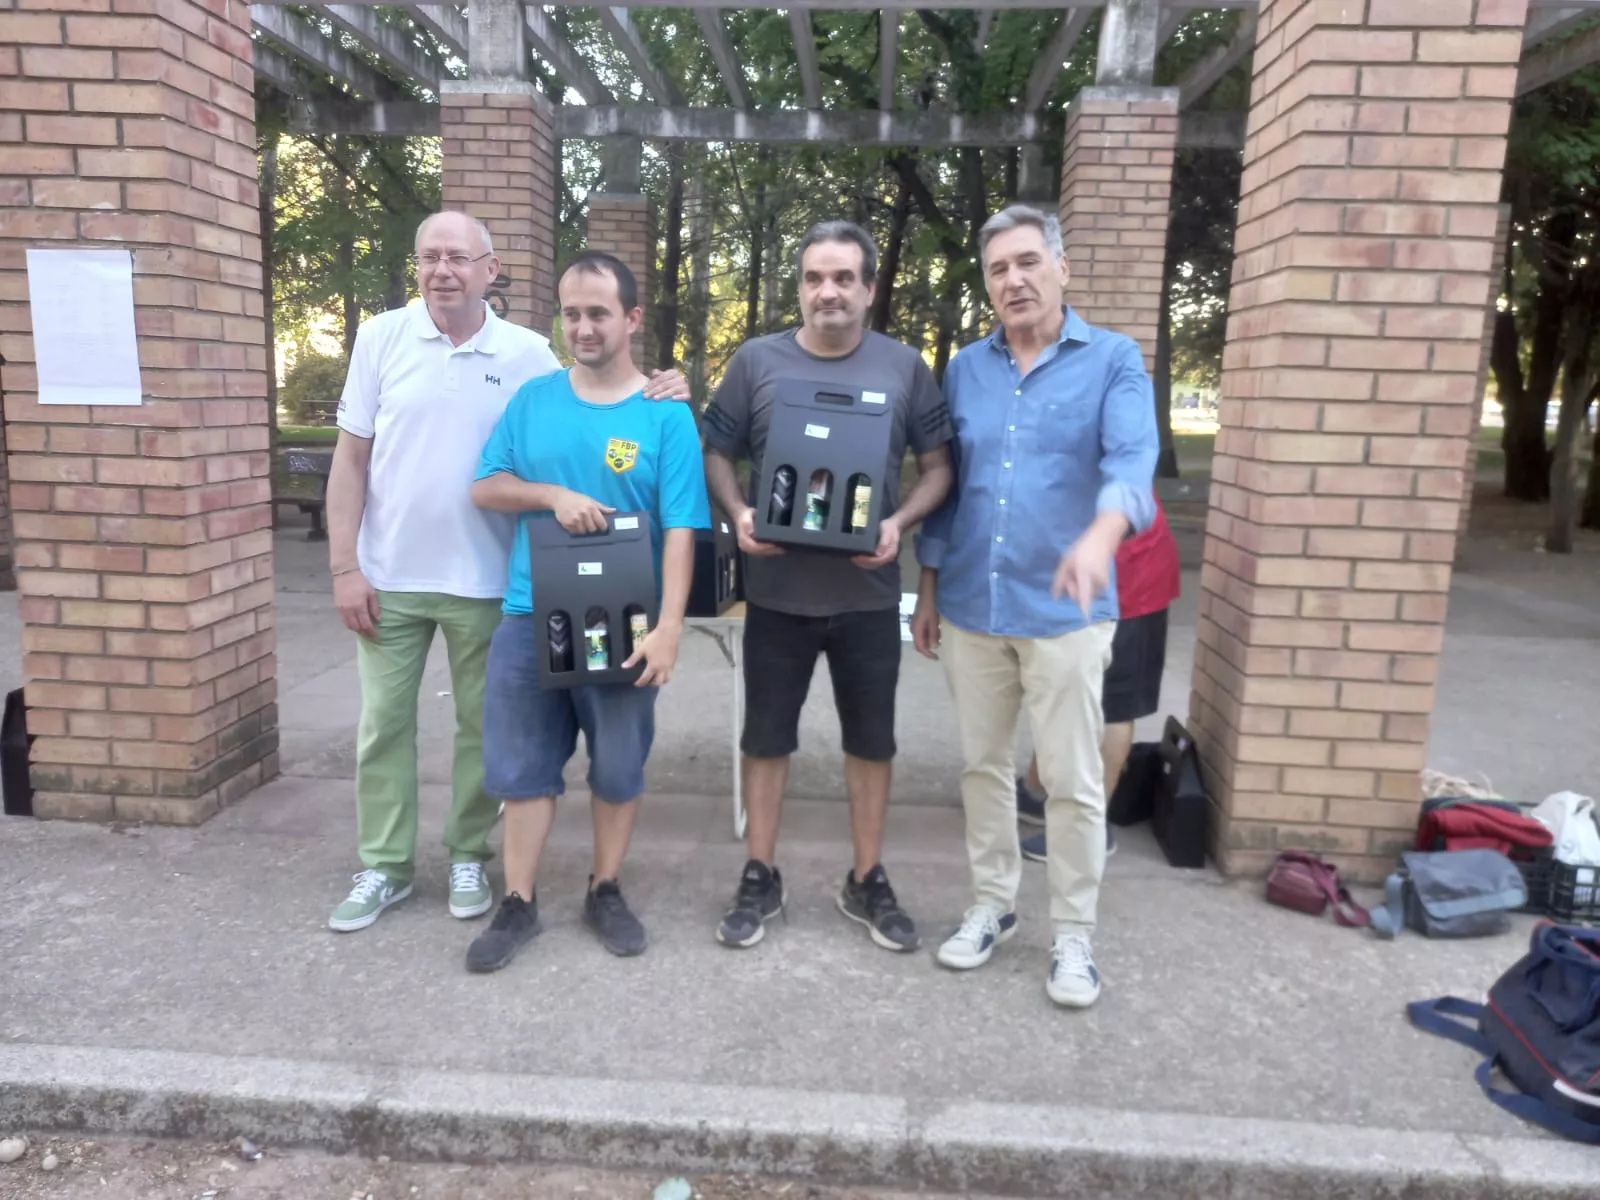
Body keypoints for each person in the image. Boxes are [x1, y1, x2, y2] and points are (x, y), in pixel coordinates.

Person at [325, 212, 686, 933]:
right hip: (389, 574)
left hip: (493, 582)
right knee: (383, 728)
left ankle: (469, 854)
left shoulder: (527, 357)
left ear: (491, 270)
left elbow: (596, 401)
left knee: (481, 735)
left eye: (459, 256)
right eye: (429, 256)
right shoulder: (381, 338)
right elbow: (351, 458)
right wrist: (343, 565)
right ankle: (386, 866)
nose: (443, 269)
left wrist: (663, 386)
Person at [910, 204, 1159, 1009]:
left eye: (1026, 262)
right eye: (997, 270)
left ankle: (1074, 936)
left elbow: (1132, 463)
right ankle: (992, 905)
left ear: (1061, 268)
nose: (1013, 280)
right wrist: (930, 587)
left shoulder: (1115, 361)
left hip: (1067, 615)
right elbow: (951, 488)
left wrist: (1101, 534)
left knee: (1073, 779)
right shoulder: (965, 369)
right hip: (975, 610)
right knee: (982, 769)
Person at [701, 220, 954, 953]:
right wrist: (741, 512)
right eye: (814, 278)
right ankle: (759, 873)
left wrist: (898, 523)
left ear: (869, 290)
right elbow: (716, 451)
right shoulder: (756, 362)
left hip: (867, 600)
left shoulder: (905, 368)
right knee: (766, 739)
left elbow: (939, 468)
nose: (827, 292)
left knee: (872, 743)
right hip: (777, 594)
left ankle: (866, 877)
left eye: (843, 278)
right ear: (801, 287)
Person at [462, 251, 710, 972]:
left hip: (626, 624)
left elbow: (683, 528)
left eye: (599, 312)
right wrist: (551, 496)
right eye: (571, 312)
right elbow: (486, 485)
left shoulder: (665, 417)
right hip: (530, 614)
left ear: (632, 318)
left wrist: (669, 629)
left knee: (618, 767)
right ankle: (518, 902)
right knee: (523, 769)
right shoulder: (534, 401)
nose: (583, 326)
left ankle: (605, 889)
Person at [1017, 494, 1180, 862]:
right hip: (1078, 568)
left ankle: (1089, 828)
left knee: (1115, 704)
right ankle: (1036, 788)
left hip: (1132, 573)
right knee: (1063, 688)